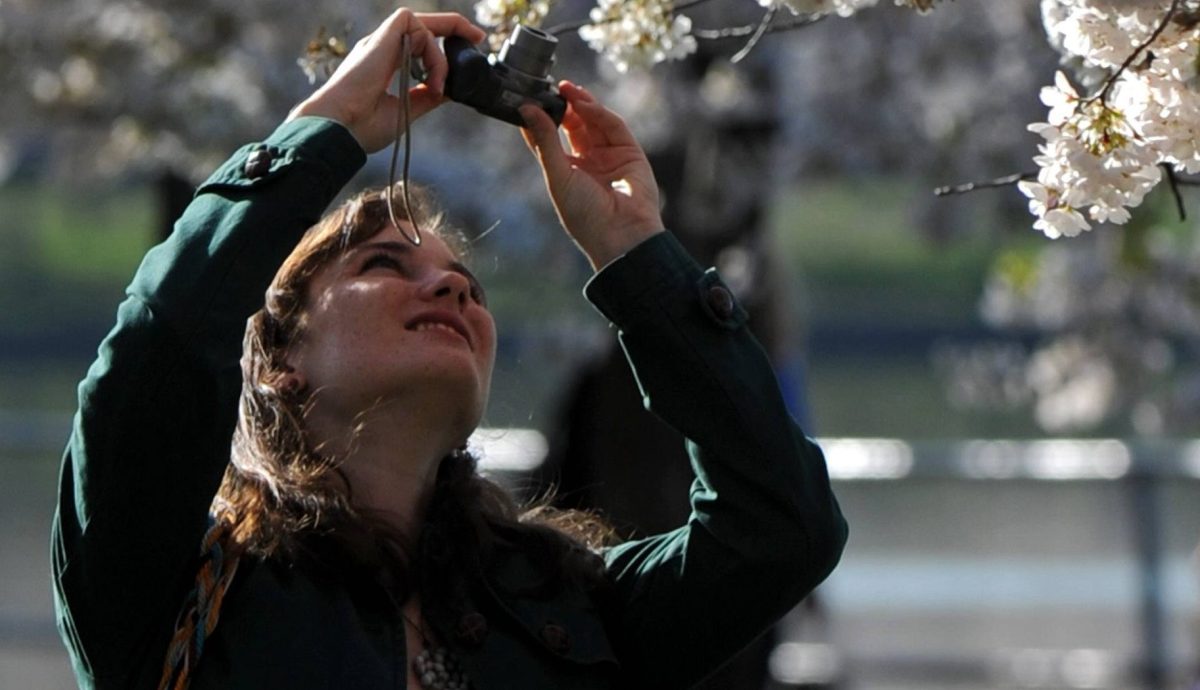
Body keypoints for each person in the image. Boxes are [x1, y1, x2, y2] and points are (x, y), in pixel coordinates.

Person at [51, 8, 847, 690]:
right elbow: (160, 352)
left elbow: (782, 528)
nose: (453, 291)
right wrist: (320, 131)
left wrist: (636, 253)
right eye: (384, 265)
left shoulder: (566, 609)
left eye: (466, 284)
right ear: (281, 361)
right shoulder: (175, 586)